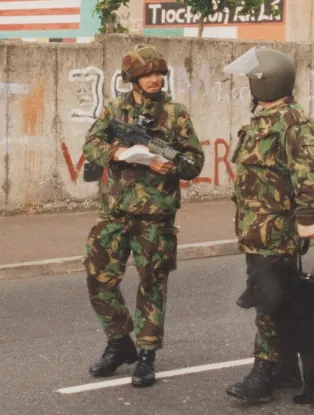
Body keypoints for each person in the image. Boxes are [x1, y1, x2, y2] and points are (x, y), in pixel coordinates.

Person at [82, 44, 205, 388]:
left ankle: (147, 354)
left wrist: (171, 163)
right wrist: (119, 152)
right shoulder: (115, 109)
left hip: (155, 214)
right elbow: (91, 144)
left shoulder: (175, 114)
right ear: (132, 79)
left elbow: (194, 161)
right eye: (146, 74)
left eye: (158, 74)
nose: (154, 80)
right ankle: (120, 342)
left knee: (152, 284)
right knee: (98, 277)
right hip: (115, 211)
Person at [222, 46, 314, 403]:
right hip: (256, 230)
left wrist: (307, 221)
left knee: (268, 303)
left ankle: (263, 376)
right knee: (277, 301)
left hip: (277, 232)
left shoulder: (293, 123)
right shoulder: (264, 119)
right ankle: (285, 370)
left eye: (253, 79)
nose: (250, 85)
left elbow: (308, 175)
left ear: (265, 83)